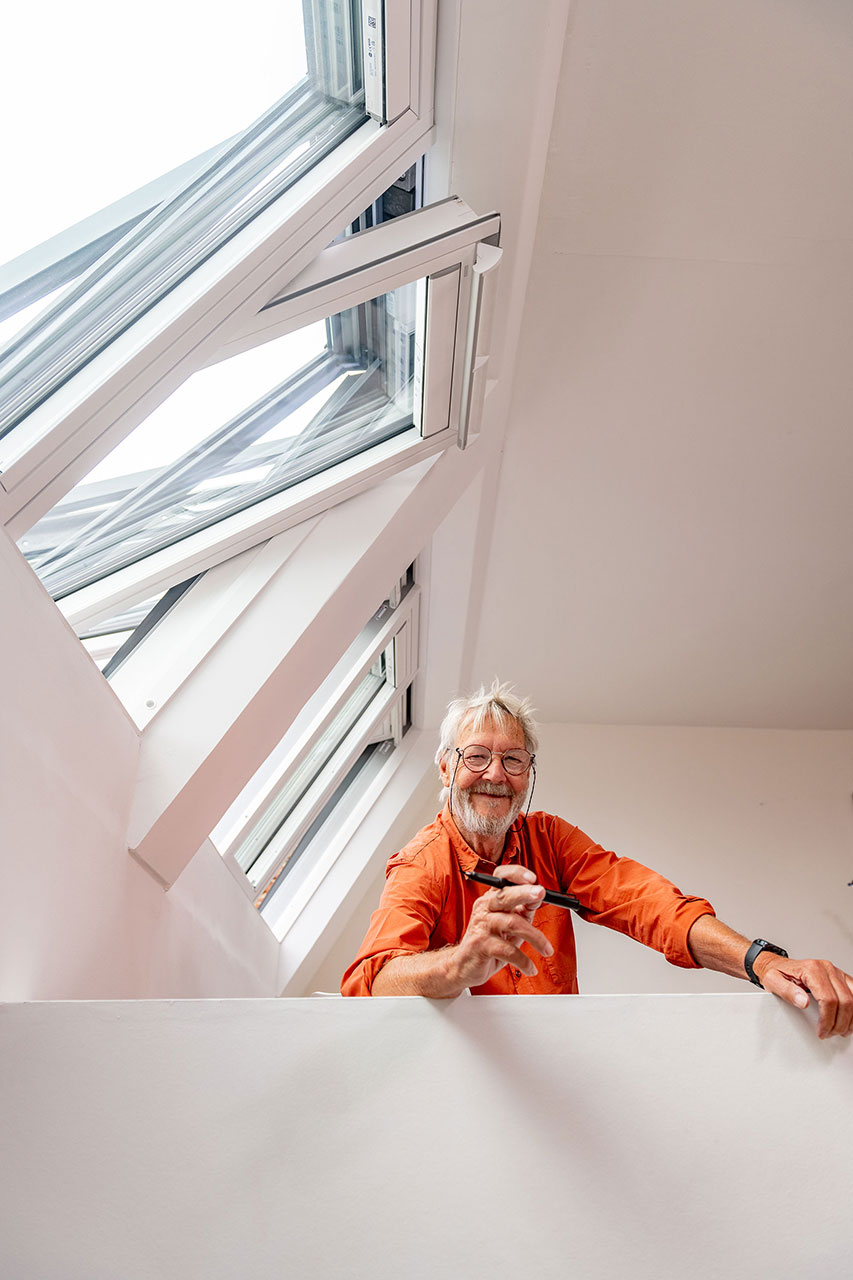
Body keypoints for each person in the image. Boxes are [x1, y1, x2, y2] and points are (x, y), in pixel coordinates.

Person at [341, 680, 853, 1039]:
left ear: (528, 772)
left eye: (513, 759)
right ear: (445, 768)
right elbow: (369, 985)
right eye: (476, 756)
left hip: (560, 1067)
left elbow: (650, 905)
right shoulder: (423, 862)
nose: (495, 775)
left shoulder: (549, 838)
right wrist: (459, 963)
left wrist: (762, 961)